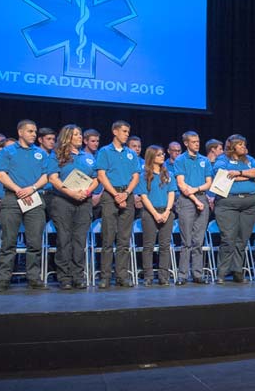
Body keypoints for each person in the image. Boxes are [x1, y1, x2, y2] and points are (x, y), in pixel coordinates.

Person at [0, 120, 49, 291]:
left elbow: (47, 176)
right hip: (12, 198)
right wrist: (19, 190)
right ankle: (4, 279)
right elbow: (1, 174)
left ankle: (34, 278)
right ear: (20, 132)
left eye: (35, 131)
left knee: (34, 241)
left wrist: (31, 188)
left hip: (34, 197)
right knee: (8, 241)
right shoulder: (8, 151)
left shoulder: (41, 153)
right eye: (30, 131)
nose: (34, 134)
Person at [47, 125, 98, 290]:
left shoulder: (88, 157)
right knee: (64, 239)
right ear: (67, 137)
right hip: (63, 201)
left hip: (84, 202)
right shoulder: (57, 155)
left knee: (79, 240)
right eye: (75, 134)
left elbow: (97, 177)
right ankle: (64, 276)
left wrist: (88, 191)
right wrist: (71, 193)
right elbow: (53, 179)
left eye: (80, 134)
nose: (79, 137)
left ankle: (78, 276)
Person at [95, 121, 140, 288]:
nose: (127, 134)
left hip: (126, 195)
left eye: (128, 131)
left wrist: (126, 194)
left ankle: (122, 276)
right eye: (124, 131)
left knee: (124, 239)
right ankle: (105, 277)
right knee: (108, 238)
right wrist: (115, 194)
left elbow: (136, 176)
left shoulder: (131, 154)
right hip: (110, 196)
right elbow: (101, 175)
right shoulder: (105, 151)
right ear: (115, 131)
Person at [212, 134, 255, 284]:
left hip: (249, 203)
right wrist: (248, 175)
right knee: (228, 238)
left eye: (244, 144)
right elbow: (223, 175)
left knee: (243, 239)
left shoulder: (249, 159)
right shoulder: (222, 159)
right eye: (240, 145)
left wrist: (238, 173)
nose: (244, 147)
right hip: (228, 203)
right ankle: (222, 273)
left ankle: (238, 272)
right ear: (232, 147)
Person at [174, 131, 212, 284]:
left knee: (199, 240)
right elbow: (182, 185)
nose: (197, 144)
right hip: (187, 202)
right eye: (194, 141)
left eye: (198, 141)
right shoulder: (180, 160)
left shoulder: (204, 160)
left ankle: (197, 274)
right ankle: (182, 275)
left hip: (201, 197)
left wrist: (196, 190)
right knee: (187, 241)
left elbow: (209, 182)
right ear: (186, 143)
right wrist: (196, 200)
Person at [136, 145, 176, 286]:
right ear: (152, 157)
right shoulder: (144, 175)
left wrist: (166, 212)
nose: (162, 156)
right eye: (159, 154)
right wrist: (155, 213)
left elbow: (171, 193)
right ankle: (148, 276)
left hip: (166, 212)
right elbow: (144, 196)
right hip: (150, 213)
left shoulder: (168, 174)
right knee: (149, 245)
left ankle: (163, 276)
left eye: (163, 154)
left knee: (165, 245)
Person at [37, 127, 57, 217]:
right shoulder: (34, 154)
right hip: (37, 193)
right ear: (40, 140)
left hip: (53, 195)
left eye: (53, 139)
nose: (52, 142)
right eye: (49, 139)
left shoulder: (57, 156)